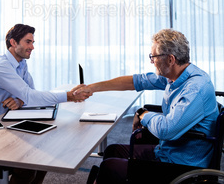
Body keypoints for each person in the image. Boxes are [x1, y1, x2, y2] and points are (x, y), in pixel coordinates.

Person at [76, 29, 219, 184]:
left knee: (110, 167)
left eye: (154, 56)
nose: (151, 61)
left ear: (170, 59)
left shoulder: (195, 88)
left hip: (181, 166)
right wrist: (92, 88)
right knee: (112, 151)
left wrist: (143, 114)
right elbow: (135, 81)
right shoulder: (176, 75)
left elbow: (166, 130)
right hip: (168, 151)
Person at [0, 23, 90, 184]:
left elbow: (29, 93)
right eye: (28, 42)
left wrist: (19, 100)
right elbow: (31, 95)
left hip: (5, 121)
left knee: (42, 153)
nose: (32, 47)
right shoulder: (0, 65)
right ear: (13, 43)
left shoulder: (20, 63)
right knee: (29, 164)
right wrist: (69, 96)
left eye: (33, 42)